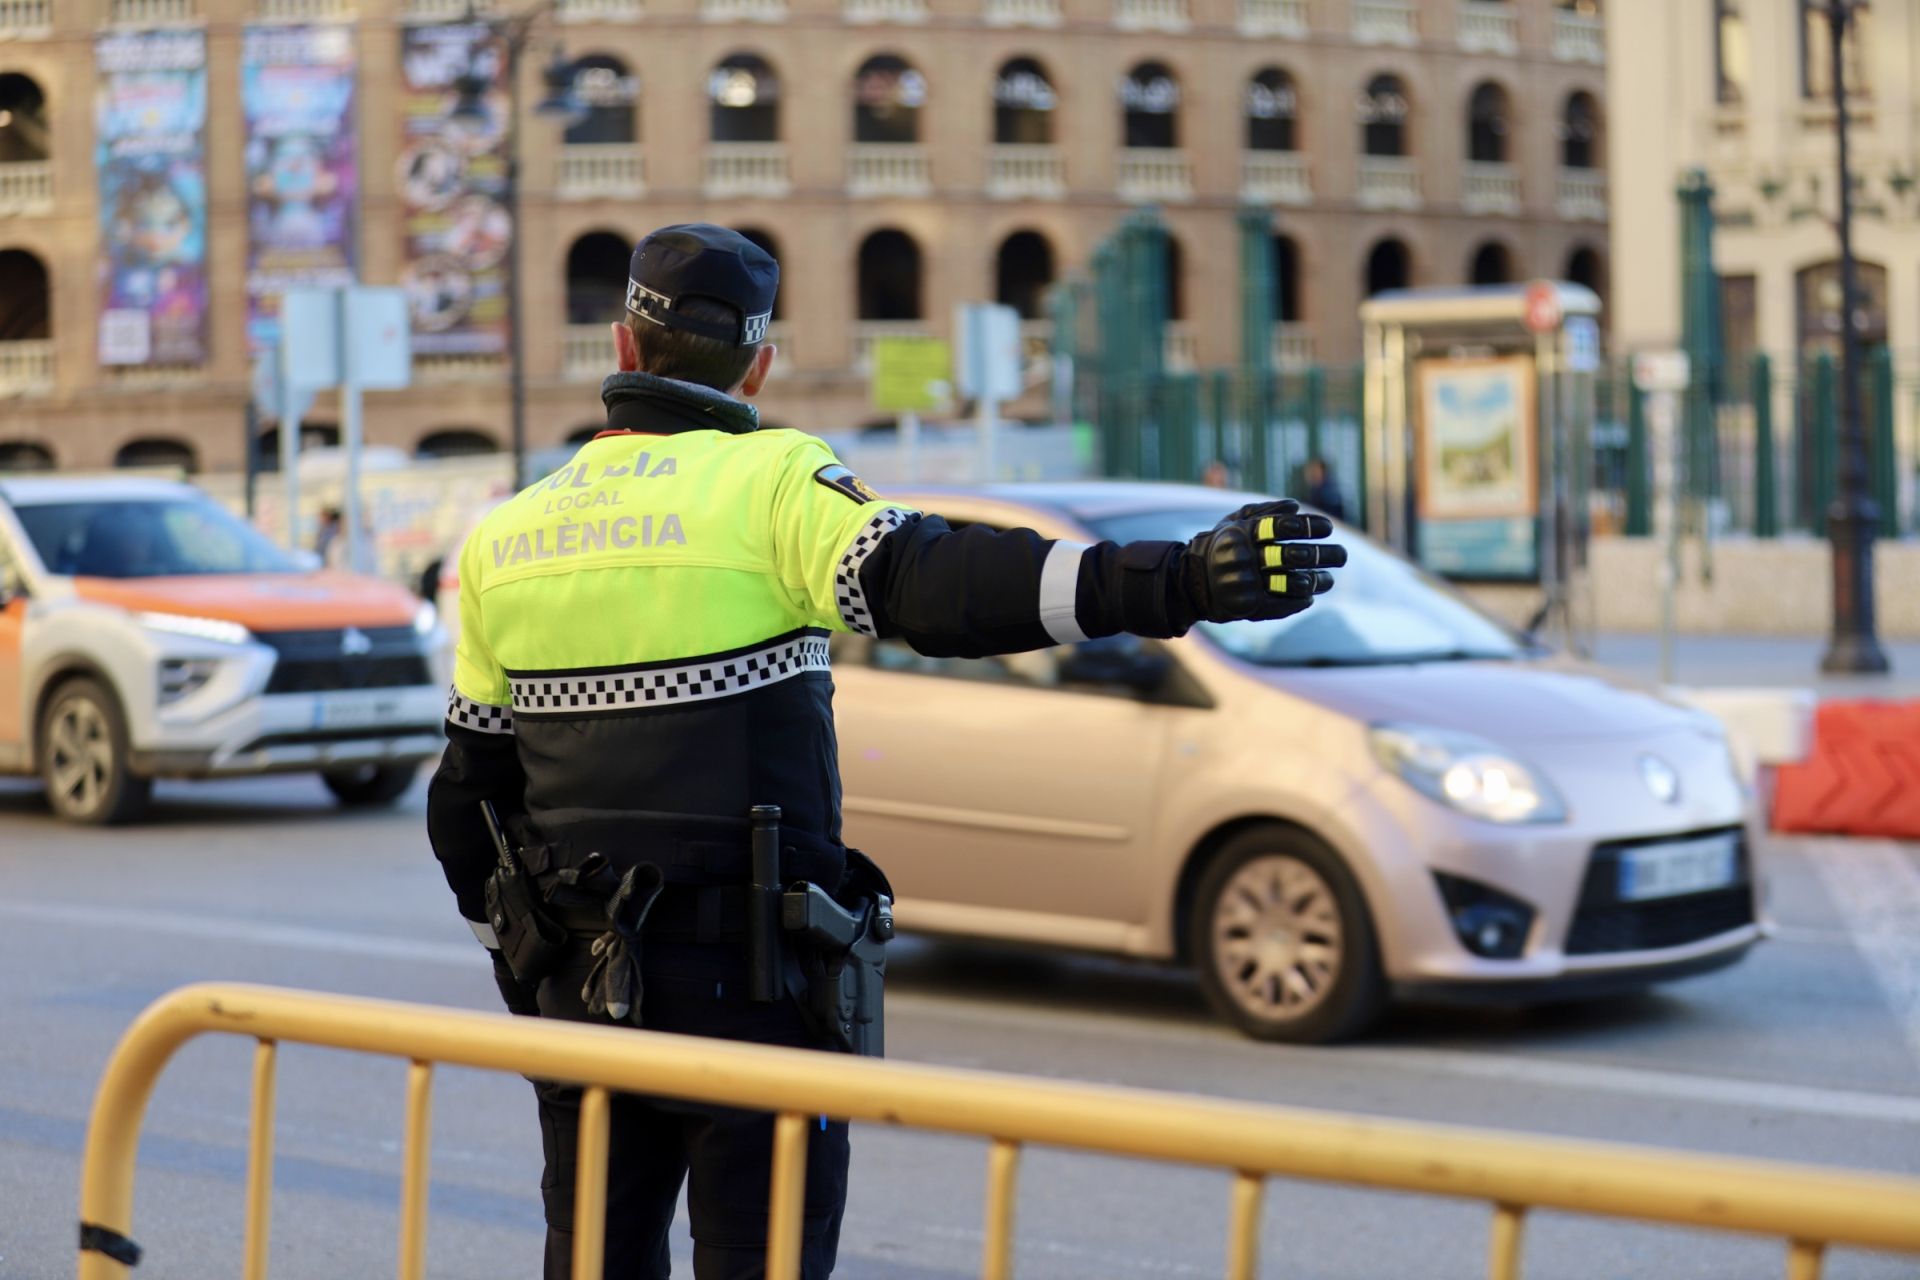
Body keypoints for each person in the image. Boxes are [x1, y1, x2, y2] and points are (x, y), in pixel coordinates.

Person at [425, 223, 1345, 1280]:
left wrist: (538, 968)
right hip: (757, 998)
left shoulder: (506, 535)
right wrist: (1178, 580)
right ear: (758, 364)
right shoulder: (773, 482)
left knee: (592, 1258)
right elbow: (942, 585)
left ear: (624, 352)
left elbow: (468, 803)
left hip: (580, 1000)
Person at [1302, 456, 1346, 522]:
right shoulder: (1314, 491)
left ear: (1323, 472)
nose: (1310, 474)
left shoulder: (1329, 494)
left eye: (1314, 471)